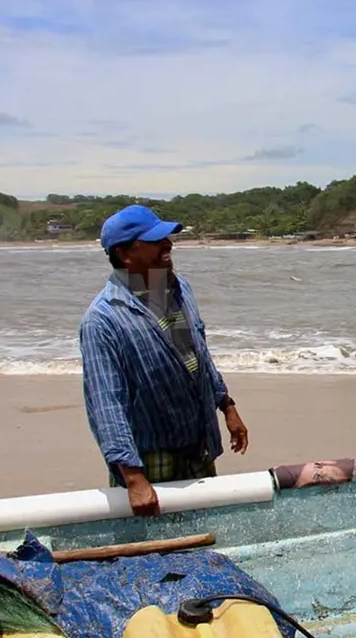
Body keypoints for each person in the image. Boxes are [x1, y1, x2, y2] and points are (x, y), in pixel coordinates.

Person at [79, 204, 249, 516]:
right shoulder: (102, 320)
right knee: (155, 547)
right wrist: (133, 479)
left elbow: (195, 354)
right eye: (155, 240)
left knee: (205, 527)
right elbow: (106, 405)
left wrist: (227, 405)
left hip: (198, 445)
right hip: (149, 458)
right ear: (125, 254)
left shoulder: (176, 288)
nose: (168, 244)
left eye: (167, 237)